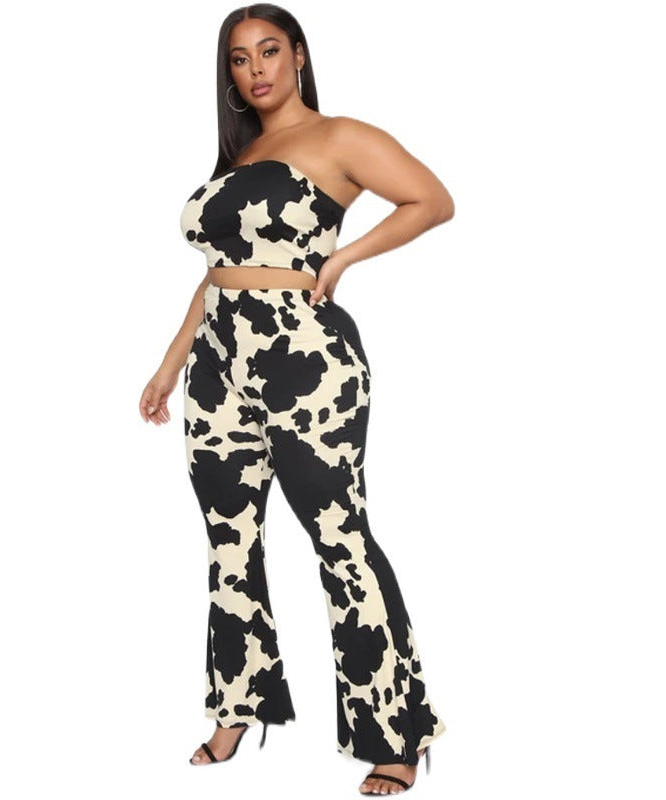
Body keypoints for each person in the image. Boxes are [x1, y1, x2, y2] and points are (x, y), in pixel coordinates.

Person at [138, 4, 454, 795]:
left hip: (306, 362)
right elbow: (218, 273)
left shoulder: (339, 137)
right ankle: (238, 706)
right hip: (218, 367)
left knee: (340, 539)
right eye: (240, 58)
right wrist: (171, 364)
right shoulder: (239, 156)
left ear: (300, 56)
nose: (256, 69)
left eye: (270, 51)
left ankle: (395, 733)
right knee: (229, 540)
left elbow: (431, 200)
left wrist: (342, 259)